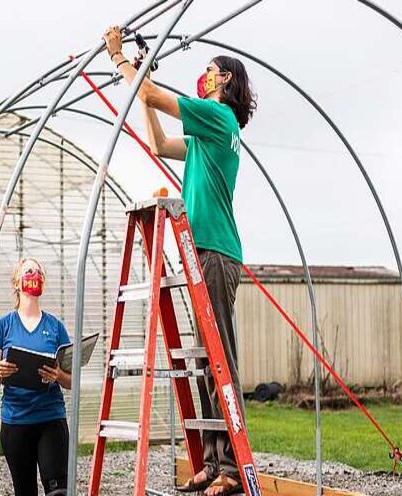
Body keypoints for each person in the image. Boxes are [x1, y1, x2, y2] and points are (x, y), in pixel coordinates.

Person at [102, 27, 257, 496]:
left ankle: (231, 467)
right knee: (207, 361)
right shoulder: (208, 137)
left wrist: (120, 59)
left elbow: (146, 90)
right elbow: (160, 144)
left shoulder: (218, 117)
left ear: (225, 80)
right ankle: (212, 462)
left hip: (214, 250)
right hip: (203, 251)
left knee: (220, 359)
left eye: (210, 71)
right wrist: (144, 87)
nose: (204, 76)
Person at [0, 258, 72, 496]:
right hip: (16, 423)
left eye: (38, 271)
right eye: (28, 270)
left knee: (58, 492)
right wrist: (0, 372)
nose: (34, 273)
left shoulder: (55, 327)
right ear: (17, 281)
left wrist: (57, 375)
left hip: (51, 419)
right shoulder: (2, 326)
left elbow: (71, 381)